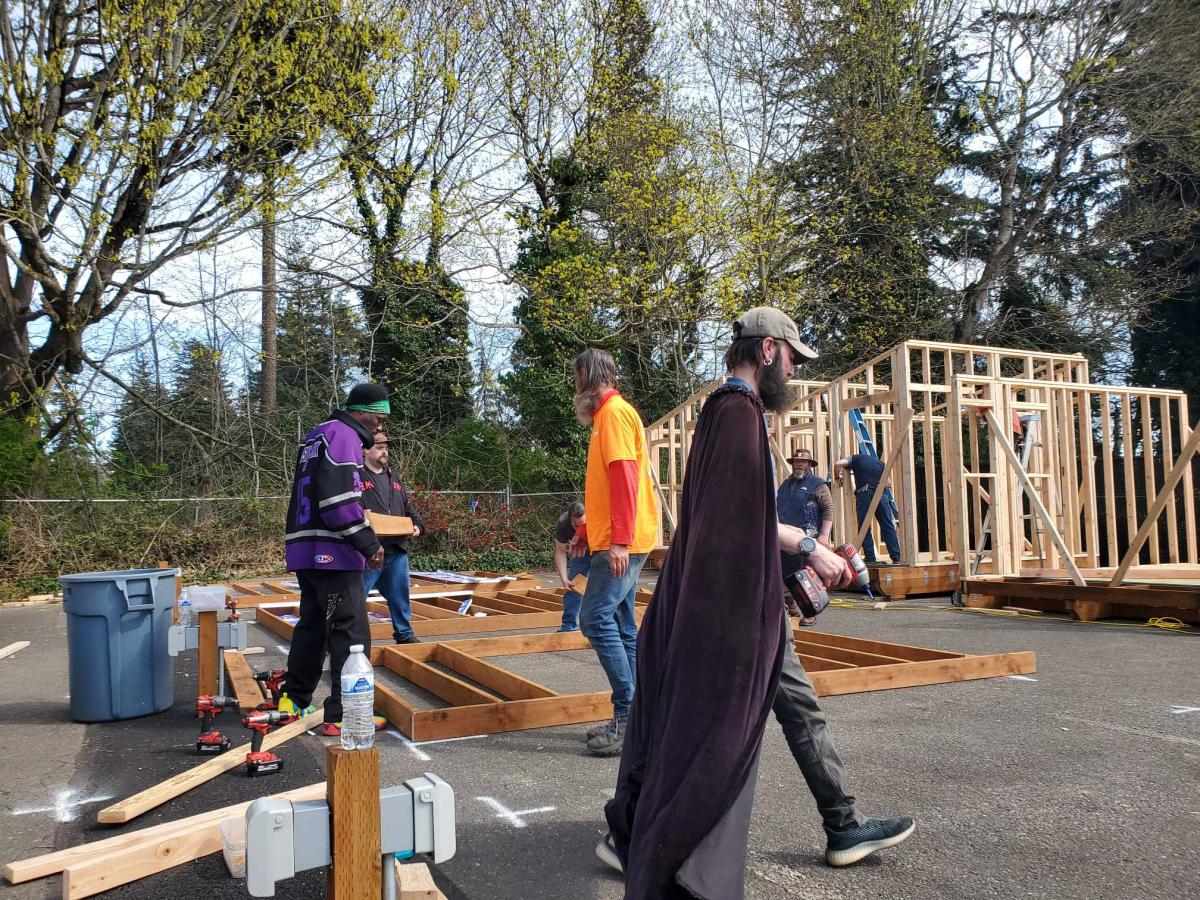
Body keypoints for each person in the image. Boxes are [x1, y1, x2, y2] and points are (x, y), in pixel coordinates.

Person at [599, 308, 914, 896]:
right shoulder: (737, 413)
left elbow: (734, 514)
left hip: (736, 602)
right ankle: (660, 845)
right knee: (713, 728)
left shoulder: (726, 413)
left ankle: (840, 823)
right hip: (734, 611)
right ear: (768, 351)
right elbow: (735, 520)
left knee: (770, 707)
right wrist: (811, 549)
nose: (792, 371)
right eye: (791, 357)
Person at [278, 383, 388, 737]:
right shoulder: (344, 435)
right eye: (378, 417)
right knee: (350, 633)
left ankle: (293, 700)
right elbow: (338, 502)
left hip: (305, 548)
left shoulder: (316, 435)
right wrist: (368, 542)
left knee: (313, 626)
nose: (379, 426)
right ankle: (345, 714)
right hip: (334, 552)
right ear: (362, 412)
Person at [573, 349, 658, 757]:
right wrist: (587, 532)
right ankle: (641, 720)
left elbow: (625, 479)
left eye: (577, 377)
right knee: (623, 627)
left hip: (621, 543)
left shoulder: (614, 415)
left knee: (593, 618)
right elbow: (606, 488)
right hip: (614, 539)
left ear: (589, 376)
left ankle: (628, 716)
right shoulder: (606, 417)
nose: (575, 386)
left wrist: (619, 541)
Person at [361, 431, 428, 645]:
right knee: (356, 598)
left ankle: (404, 634)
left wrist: (418, 525)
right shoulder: (357, 476)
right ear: (366, 450)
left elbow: (407, 507)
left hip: (396, 550)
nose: (385, 451)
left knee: (400, 596)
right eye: (379, 447)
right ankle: (345, 638)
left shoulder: (394, 477)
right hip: (369, 551)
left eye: (386, 448)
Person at [777, 448, 834, 624]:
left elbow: (828, 509)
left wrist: (824, 536)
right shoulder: (785, 485)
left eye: (803, 462)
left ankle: (810, 613)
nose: (799, 464)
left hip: (807, 538)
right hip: (786, 538)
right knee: (784, 574)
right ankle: (793, 609)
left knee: (805, 576)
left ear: (809, 465)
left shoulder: (818, 485)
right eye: (796, 461)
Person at [833, 451, 901, 565]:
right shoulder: (880, 464)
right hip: (881, 494)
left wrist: (837, 477)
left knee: (864, 526)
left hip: (865, 493)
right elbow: (888, 484)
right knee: (887, 525)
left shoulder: (855, 459)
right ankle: (896, 557)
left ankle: (870, 557)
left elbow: (838, 463)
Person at [553, 501, 590, 632]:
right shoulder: (563, 523)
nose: (579, 529)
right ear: (570, 519)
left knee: (606, 588)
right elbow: (560, 552)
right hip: (580, 551)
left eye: (583, 525)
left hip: (600, 549)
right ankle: (569, 626)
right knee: (573, 586)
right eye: (575, 526)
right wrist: (564, 579)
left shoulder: (597, 518)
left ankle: (611, 627)